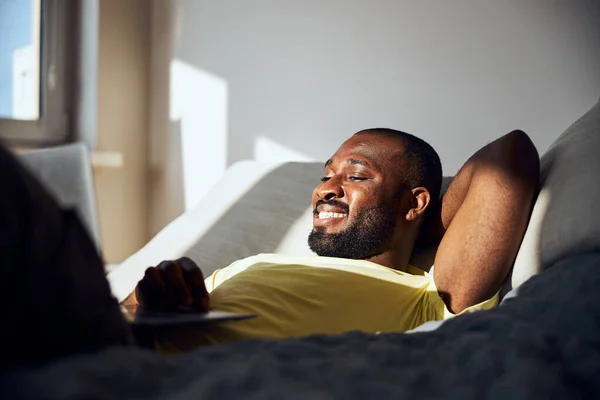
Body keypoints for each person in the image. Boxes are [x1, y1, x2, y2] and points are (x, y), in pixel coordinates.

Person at [0, 128, 538, 368]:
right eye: (326, 175)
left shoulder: (430, 293)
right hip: (94, 344)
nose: (326, 187)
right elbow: (124, 316)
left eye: (355, 175)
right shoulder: (255, 264)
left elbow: (510, 154)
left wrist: (420, 225)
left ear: (415, 202)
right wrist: (151, 299)